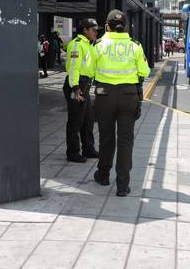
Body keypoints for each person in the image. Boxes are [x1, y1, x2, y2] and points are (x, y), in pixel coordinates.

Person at [93, 10, 150, 196]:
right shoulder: (135, 46)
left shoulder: (99, 45)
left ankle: (103, 175)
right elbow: (144, 71)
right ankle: (123, 186)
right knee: (125, 141)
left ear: (107, 26)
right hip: (128, 96)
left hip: (105, 96)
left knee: (106, 138)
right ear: (125, 26)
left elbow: (87, 68)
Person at [64, 19, 99, 163]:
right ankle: (72, 152)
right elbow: (73, 67)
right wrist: (76, 88)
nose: (96, 32)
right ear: (85, 30)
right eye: (94, 30)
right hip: (77, 86)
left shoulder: (89, 45)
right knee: (75, 121)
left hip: (85, 84)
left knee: (88, 120)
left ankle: (88, 149)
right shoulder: (77, 45)